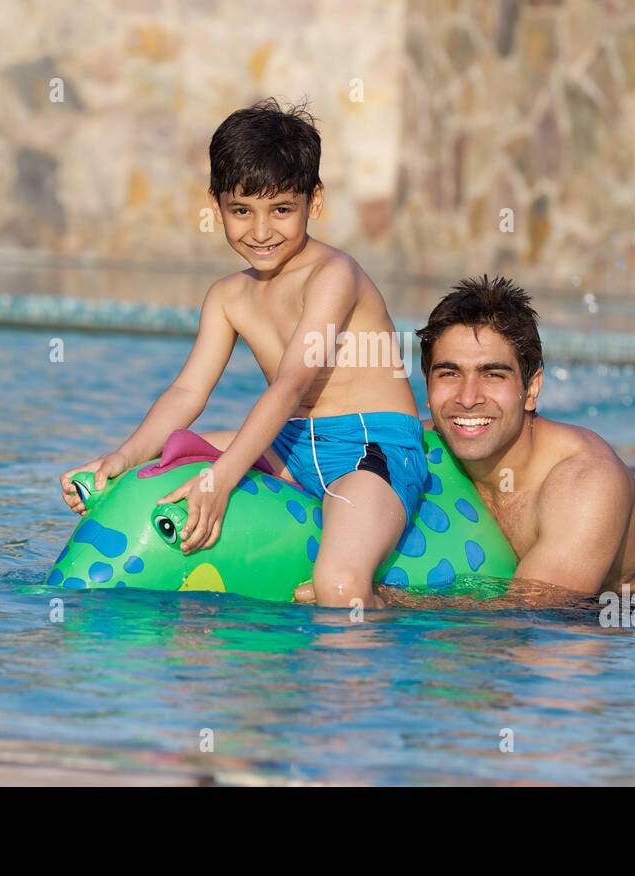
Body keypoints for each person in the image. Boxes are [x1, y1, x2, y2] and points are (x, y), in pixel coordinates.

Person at [60, 98, 426, 609]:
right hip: (294, 443)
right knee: (166, 459)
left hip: (372, 449)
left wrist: (223, 480)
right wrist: (123, 457)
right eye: (241, 211)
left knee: (338, 586)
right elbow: (188, 390)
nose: (260, 231)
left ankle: (370, 636)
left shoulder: (333, 276)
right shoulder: (228, 297)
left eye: (281, 210)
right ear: (217, 206)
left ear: (313, 202)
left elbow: (291, 384)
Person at [296, 275, 635, 608]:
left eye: (492, 374)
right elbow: (311, 446)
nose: (467, 397)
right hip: (560, 609)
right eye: (449, 373)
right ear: (426, 386)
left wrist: (376, 597)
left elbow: (534, 612)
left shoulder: (586, 483)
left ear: (531, 389)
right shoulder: (420, 443)